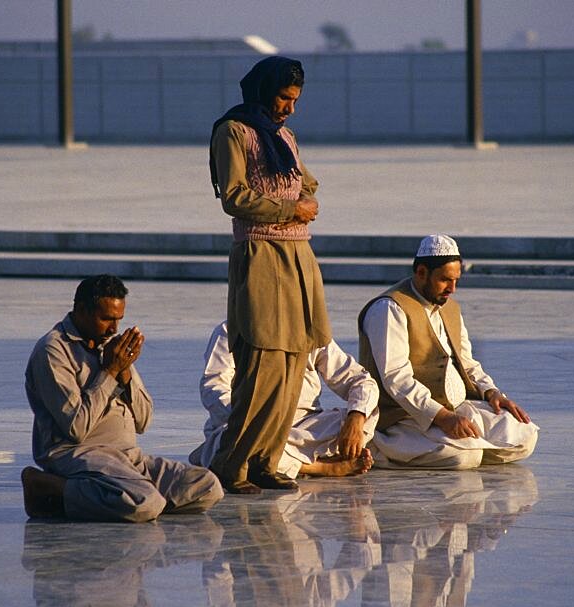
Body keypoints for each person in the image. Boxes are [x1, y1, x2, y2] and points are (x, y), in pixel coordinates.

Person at [208, 55, 331, 494]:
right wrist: (289, 209)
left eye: (295, 100)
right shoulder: (234, 132)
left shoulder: (284, 137)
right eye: (283, 97)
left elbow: (305, 180)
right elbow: (235, 196)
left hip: (298, 258)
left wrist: (302, 199)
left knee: (294, 364)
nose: (289, 108)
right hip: (260, 256)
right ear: (264, 91)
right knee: (261, 365)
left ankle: (265, 462)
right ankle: (232, 466)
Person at [21, 275, 223, 522]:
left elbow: (144, 421)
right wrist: (109, 373)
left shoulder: (111, 346)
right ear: (81, 310)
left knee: (208, 486)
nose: (114, 328)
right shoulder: (52, 351)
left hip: (126, 457)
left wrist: (125, 373)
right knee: (144, 504)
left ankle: (118, 496)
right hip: (80, 455)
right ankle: (52, 487)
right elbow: (76, 428)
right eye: (106, 319)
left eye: (118, 319)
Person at [358, 234, 539, 469]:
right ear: (421, 272)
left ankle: (460, 446)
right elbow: (396, 379)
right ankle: (381, 447)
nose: (452, 289)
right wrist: (441, 417)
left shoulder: (448, 306)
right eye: (445, 280)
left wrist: (491, 392)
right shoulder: (389, 309)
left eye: (456, 280)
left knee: (524, 436)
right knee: (463, 457)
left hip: (458, 408)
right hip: (404, 417)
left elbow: (466, 361)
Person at [190, 321, 377, 479]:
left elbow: (360, 381)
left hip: (303, 426)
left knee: (367, 413)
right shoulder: (231, 330)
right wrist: (251, 421)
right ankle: (320, 467)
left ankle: (281, 461)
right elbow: (214, 387)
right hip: (250, 424)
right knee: (232, 442)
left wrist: (356, 418)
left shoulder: (309, 331)